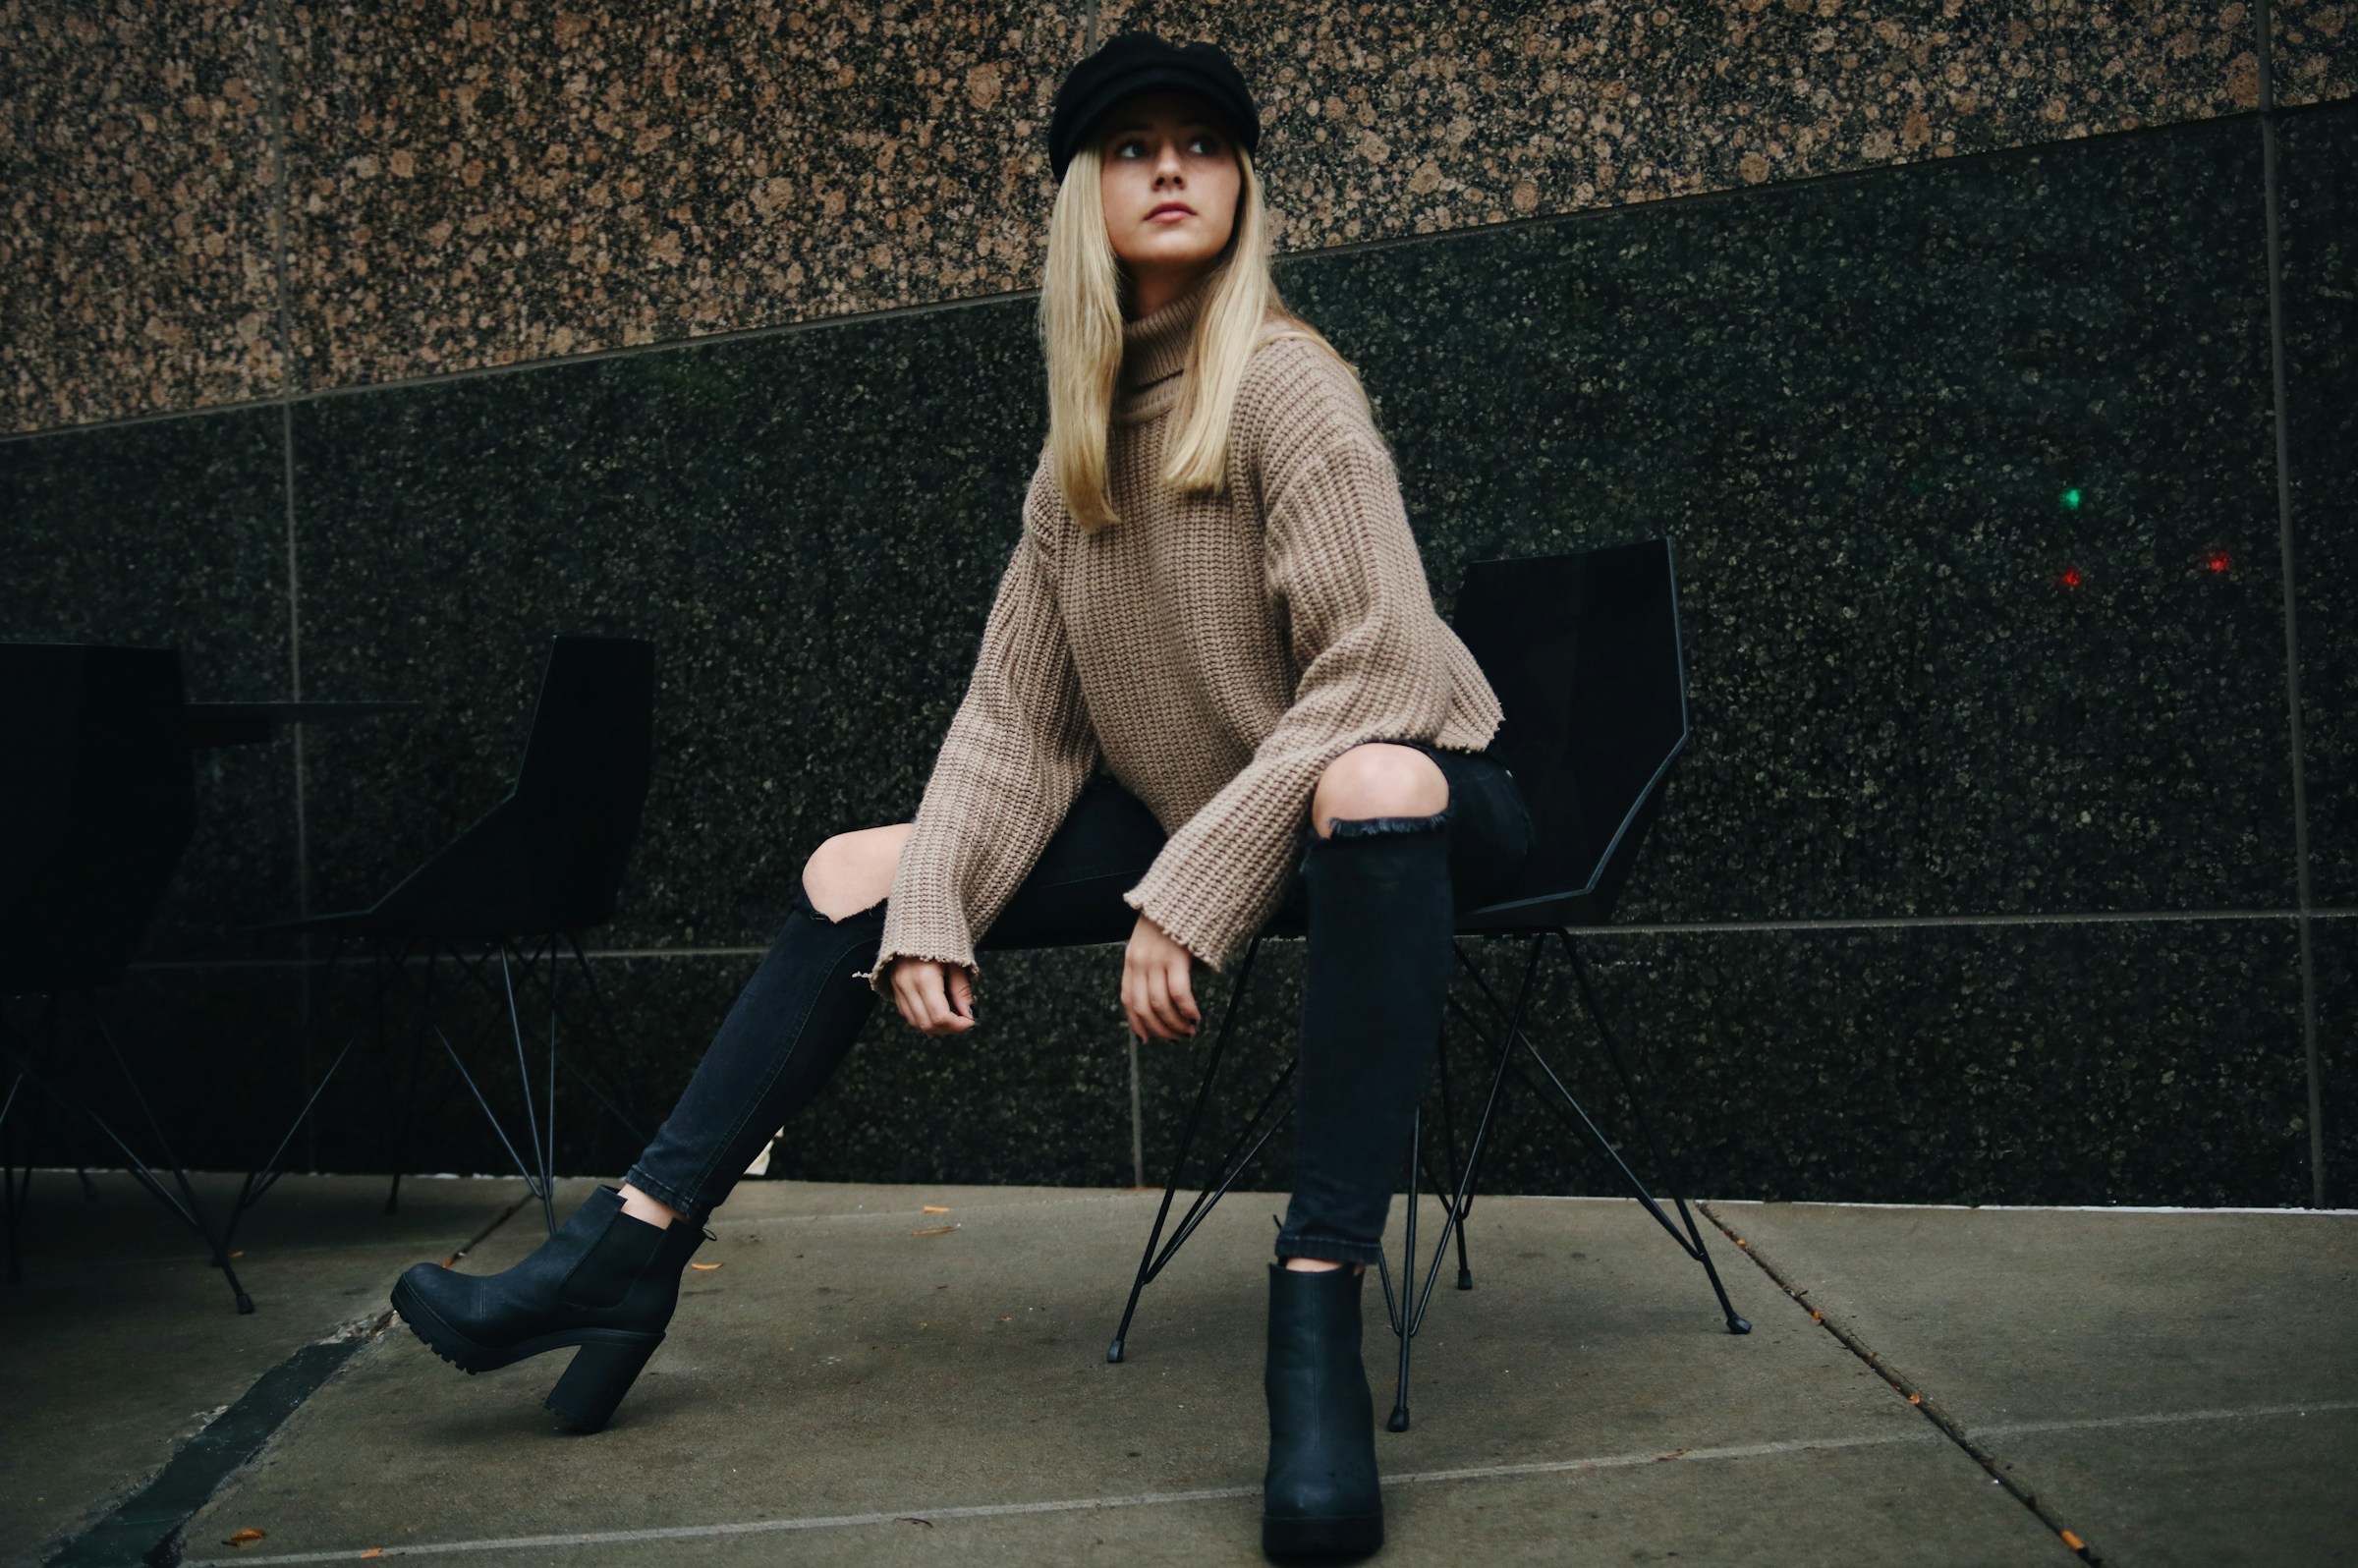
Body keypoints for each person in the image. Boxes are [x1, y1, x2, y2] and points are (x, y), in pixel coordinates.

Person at [390, 30, 1532, 1561]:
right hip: (1223, 799)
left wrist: (1186, 892)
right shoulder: (1081, 438)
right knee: (855, 869)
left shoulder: (1286, 385)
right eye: (1134, 147)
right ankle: (634, 1245)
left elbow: (1379, 673)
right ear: (1086, 195)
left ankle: (1318, 1304)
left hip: (1415, 797)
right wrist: (931, 902)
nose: (1174, 166)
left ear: (1245, 184)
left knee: (1373, 783)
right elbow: (1015, 718)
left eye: (1204, 142)